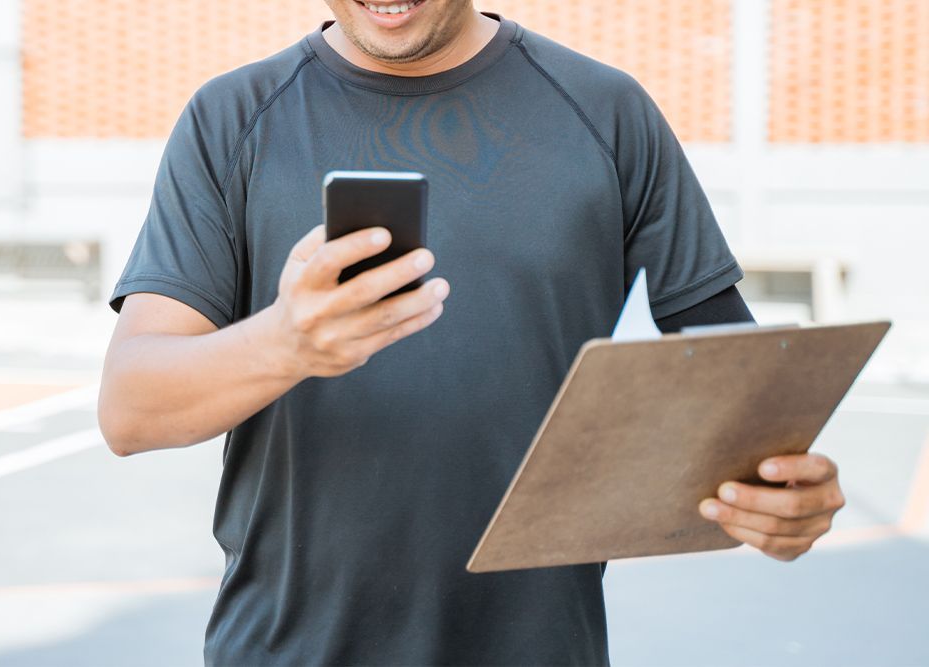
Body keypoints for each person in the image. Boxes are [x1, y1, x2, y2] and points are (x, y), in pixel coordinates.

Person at [98, 2, 846, 664]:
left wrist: (784, 497)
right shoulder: (231, 119)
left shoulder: (606, 113)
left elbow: (745, 400)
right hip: (288, 650)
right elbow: (130, 409)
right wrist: (283, 343)